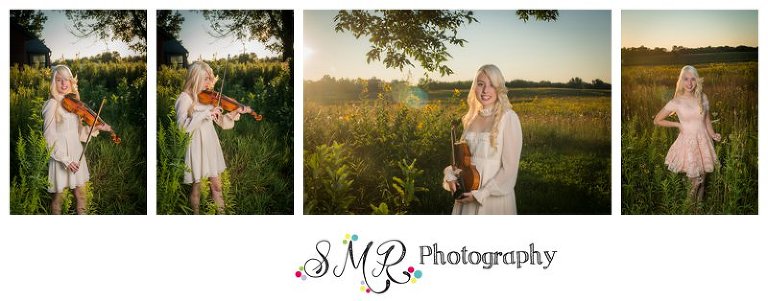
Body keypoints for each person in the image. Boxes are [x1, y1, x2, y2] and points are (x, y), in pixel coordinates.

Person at [443, 64, 523, 215]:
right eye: (481, 84)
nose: (485, 90)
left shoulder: (508, 118)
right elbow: (461, 162)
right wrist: (451, 177)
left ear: (499, 88)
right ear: (475, 87)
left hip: (493, 199)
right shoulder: (471, 118)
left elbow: (509, 169)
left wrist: (481, 194)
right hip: (467, 195)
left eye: (492, 85)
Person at [175, 61, 252, 214]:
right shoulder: (185, 98)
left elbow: (222, 122)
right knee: (196, 187)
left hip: (210, 143)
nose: (209, 83)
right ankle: (195, 214)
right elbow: (182, 127)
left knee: (217, 185)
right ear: (195, 78)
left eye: (210, 79)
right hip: (196, 145)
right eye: (205, 78)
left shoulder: (208, 98)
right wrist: (205, 114)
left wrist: (234, 112)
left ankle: (222, 214)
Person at [43, 65, 112, 214]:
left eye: (66, 79)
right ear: (53, 82)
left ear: (71, 81)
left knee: (81, 195)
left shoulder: (73, 103)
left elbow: (79, 134)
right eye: (59, 80)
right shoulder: (52, 104)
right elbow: (48, 137)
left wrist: (97, 127)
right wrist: (66, 160)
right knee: (58, 199)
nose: (64, 83)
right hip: (60, 157)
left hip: (76, 153)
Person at [653, 65, 720, 207]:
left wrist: (713, 134)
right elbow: (657, 120)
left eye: (693, 79)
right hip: (688, 145)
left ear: (697, 81)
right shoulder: (676, 102)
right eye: (686, 79)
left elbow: (707, 120)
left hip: (704, 143)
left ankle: (699, 211)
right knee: (694, 184)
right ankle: (689, 210)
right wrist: (677, 125)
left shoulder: (703, 97)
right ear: (681, 81)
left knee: (702, 183)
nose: (689, 83)